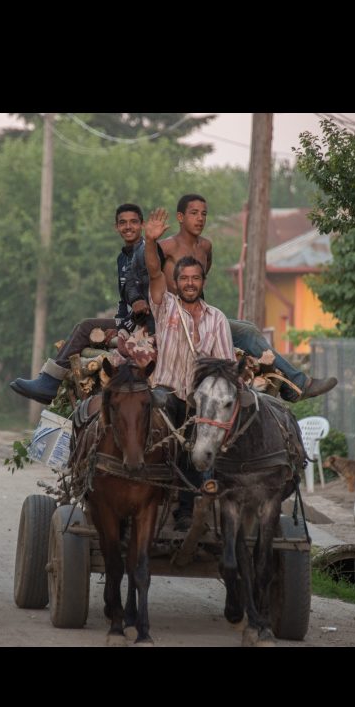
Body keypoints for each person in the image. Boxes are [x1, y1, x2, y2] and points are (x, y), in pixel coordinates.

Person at [125, 194, 337, 402]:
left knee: (246, 327)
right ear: (180, 217)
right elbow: (142, 275)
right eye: (194, 213)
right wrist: (137, 300)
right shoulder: (166, 246)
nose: (200, 218)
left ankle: (292, 386)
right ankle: (299, 384)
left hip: (197, 317)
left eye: (204, 214)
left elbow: (201, 278)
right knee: (247, 332)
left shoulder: (205, 247)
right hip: (170, 318)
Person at [144, 207, 234, 530]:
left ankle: (186, 510)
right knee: (156, 410)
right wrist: (150, 240)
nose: (190, 283)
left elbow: (226, 370)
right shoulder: (164, 305)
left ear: (203, 282)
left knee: (201, 431)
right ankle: (141, 492)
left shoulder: (218, 319)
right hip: (165, 395)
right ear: (176, 282)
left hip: (199, 402)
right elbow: (155, 272)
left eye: (196, 279)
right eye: (184, 279)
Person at [9, 203, 145, 405]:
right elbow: (125, 300)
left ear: (142, 225)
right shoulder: (123, 257)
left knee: (85, 327)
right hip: (127, 320)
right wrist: (118, 323)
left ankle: (49, 382)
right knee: (85, 327)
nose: (128, 227)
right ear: (115, 227)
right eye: (123, 223)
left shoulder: (145, 253)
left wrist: (124, 329)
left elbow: (146, 298)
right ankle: (49, 380)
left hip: (144, 323)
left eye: (133, 222)